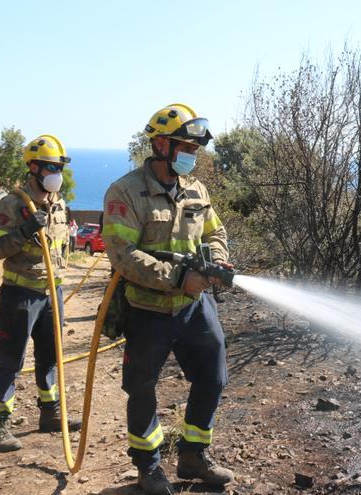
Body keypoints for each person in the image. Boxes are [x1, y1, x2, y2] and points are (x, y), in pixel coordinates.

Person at [102, 103, 234, 493]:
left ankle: (194, 456)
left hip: (195, 308)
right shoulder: (125, 192)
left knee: (213, 376)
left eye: (196, 148)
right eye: (186, 147)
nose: (193, 155)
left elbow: (215, 231)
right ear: (161, 145)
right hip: (148, 310)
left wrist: (218, 260)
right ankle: (148, 466)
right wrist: (179, 278)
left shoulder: (196, 189)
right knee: (142, 387)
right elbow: (123, 256)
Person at [0, 134, 80, 451]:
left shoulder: (59, 204)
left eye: (60, 167)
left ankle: (50, 414)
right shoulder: (13, 204)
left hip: (52, 292)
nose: (57, 174)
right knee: (10, 359)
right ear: (34, 168)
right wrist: (23, 231)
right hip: (20, 294)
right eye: (52, 167)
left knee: (50, 357)